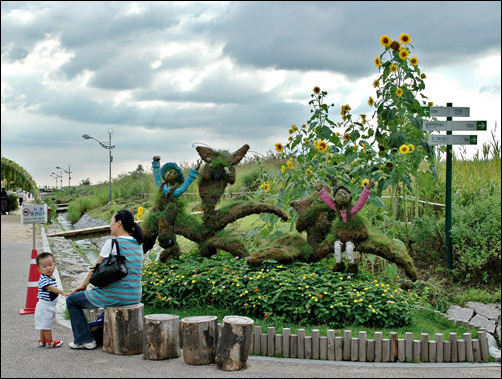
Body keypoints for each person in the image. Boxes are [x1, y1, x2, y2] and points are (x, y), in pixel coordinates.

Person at [66, 209, 144, 350]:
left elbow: (94, 269)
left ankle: (84, 340)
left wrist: (83, 286)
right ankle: (94, 334)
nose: (110, 225)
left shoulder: (113, 243)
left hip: (115, 295)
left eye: (111, 221)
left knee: (72, 301)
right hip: (134, 295)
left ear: (118, 223)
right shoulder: (138, 244)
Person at [142, 156, 201, 261]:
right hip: (158, 210)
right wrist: (156, 163)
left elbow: (186, 183)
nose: (169, 173)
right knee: (149, 227)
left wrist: (194, 171)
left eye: (173, 172)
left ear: (177, 177)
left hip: (171, 213)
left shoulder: (176, 191)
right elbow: (156, 176)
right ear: (164, 175)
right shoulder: (162, 186)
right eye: (167, 172)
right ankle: (144, 242)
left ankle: (169, 246)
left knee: (165, 228)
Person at [314, 176, 375, 274]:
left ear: (350, 196)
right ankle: (339, 263)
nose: (342, 196)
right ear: (335, 198)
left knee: (349, 248)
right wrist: (320, 190)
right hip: (341, 234)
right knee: (337, 246)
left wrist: (367, 189)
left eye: (344, 193)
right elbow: (327, 200)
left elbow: (361, 201)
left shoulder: (352, 211)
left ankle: (352, 265)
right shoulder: (336, 209)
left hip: (352, 233)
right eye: (339, 194)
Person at [35, 252, 68, 348]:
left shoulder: (50, 277)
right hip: (45, 306)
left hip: (48, 305)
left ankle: (43, 340)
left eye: (50, 265)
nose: (48, 268)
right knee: (47, 325)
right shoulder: (44, 279)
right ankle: (50, 342)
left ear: (55, 265)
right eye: (44, 266)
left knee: (43, 324)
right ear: (39, 269)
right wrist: (62, 292)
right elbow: (50, 287)